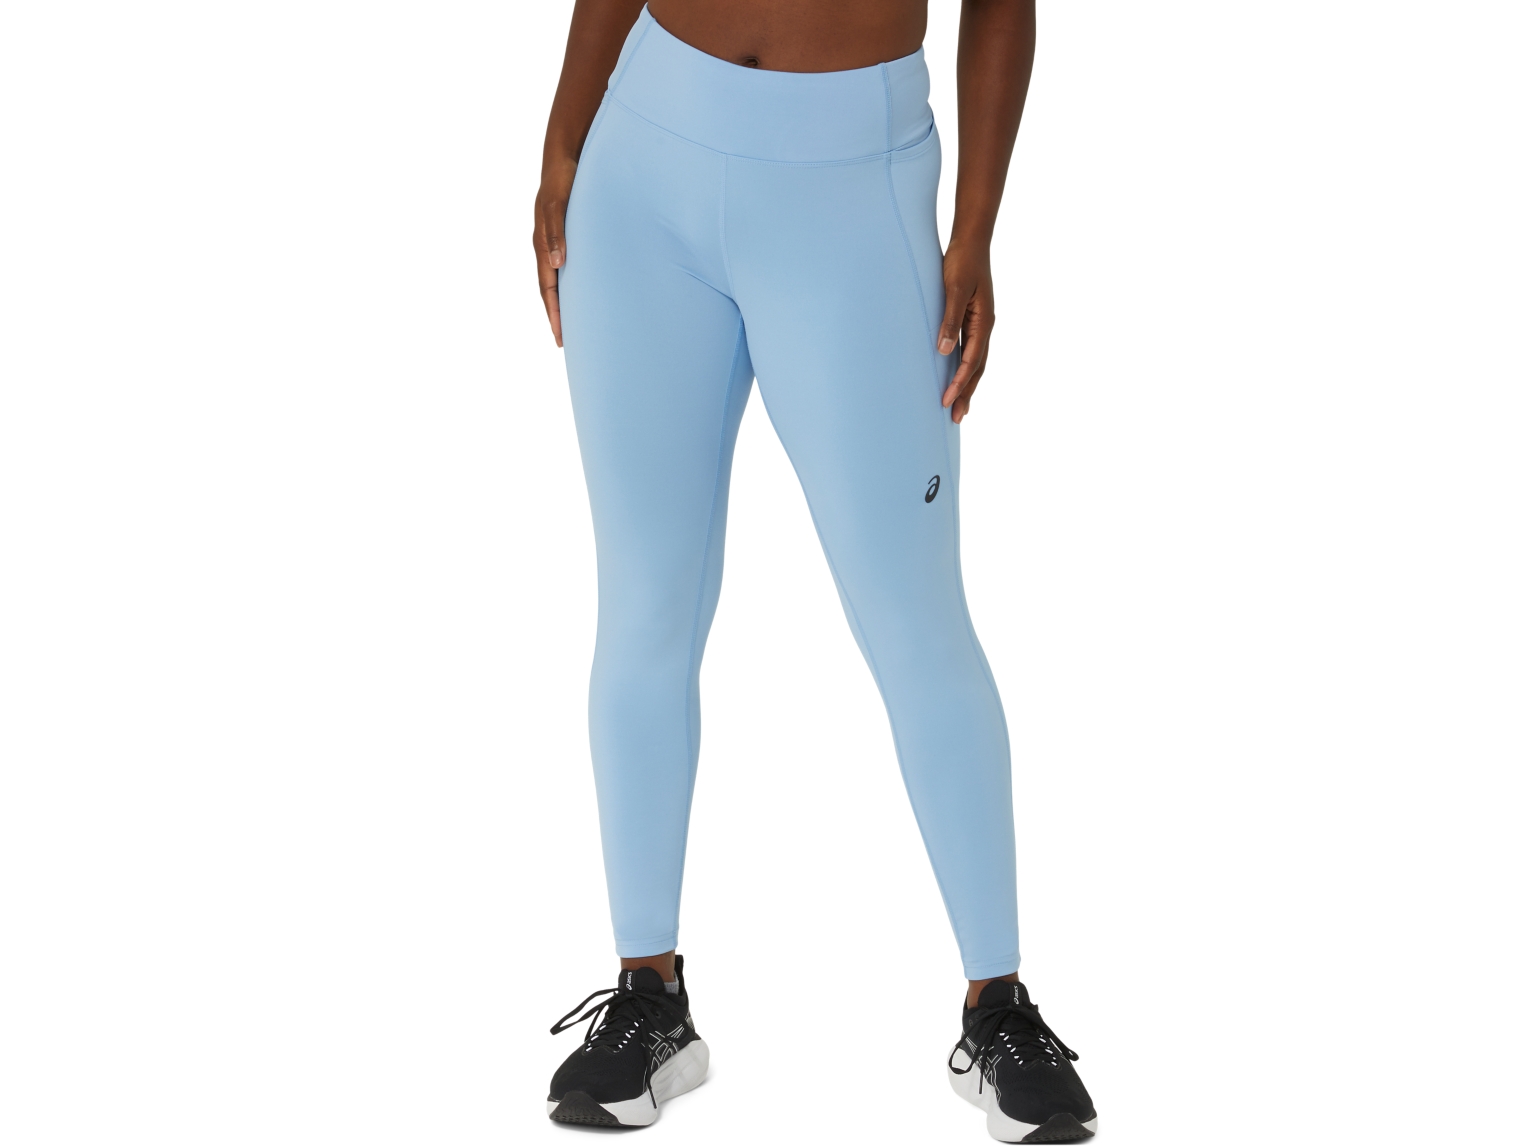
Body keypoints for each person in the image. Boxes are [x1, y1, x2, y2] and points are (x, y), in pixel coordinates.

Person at [533, 2, 1096, 1140]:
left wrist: (975, 229)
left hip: (850, 189)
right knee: (643, 603)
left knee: (915, 619)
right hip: (642, 164)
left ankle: (998, 1005)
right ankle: (648, 992)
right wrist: (560, 145)